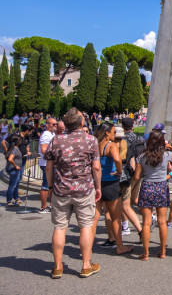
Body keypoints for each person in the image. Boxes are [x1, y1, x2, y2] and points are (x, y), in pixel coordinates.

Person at [44, 108, 102, 279]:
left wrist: (50, 186)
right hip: (83, 189)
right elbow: (96, 167)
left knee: (60, 227)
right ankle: (85, 265)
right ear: (81, 122)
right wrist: (98, 187)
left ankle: (57, 267)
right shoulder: (91, 140)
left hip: (61, 189)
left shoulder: (56, 140)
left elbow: (49, 166)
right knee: (85, 226)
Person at [133, 129, 172, 260]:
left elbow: (137, 176)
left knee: (146, 223)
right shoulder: (166, 155)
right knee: (162, 221)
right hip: (161, 187)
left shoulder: (141, 156)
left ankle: (145, 253)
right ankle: (162, 252)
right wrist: (170, 147)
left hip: (147, 186)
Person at [92, 122, 133, 255]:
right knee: (116, 217)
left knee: (95, 217)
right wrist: (119, 171)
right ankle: (120, 246)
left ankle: (88, 244)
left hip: (98, 183)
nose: (115, 134)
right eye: (113, 132)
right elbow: (117, 159)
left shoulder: (96, 145)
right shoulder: (111, 145)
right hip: (110, 184)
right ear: (107, 133)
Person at [115, 126, 142, 238]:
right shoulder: (129, 145)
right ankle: (140, 231)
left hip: (114, 179)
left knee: (111, 209)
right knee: (126, 206)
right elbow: (132, 163)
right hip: (126, 178)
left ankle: (114, 237)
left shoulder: (110, 146)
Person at [38, 117, 57, 213]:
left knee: (50, 185)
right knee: (45, 185)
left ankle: (50, 205)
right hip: (46, 164)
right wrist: (55, 155)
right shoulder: (46, 134)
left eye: (55, 124)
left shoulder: (52, 134)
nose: (55, 126)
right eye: (53, 124)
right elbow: (43, 150)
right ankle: (43, 207)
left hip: (50, 163)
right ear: (47, 125)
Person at [5, 134, 24, 206]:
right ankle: (9, 200)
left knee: (15, 184)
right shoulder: (15, 149)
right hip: (14, 169)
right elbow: (10, 159)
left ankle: (16, 198)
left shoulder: (14, 148)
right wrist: (16, 166)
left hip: (15, 169)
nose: (21, 141)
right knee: (12, 185)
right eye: (20, 140)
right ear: (17, 141)